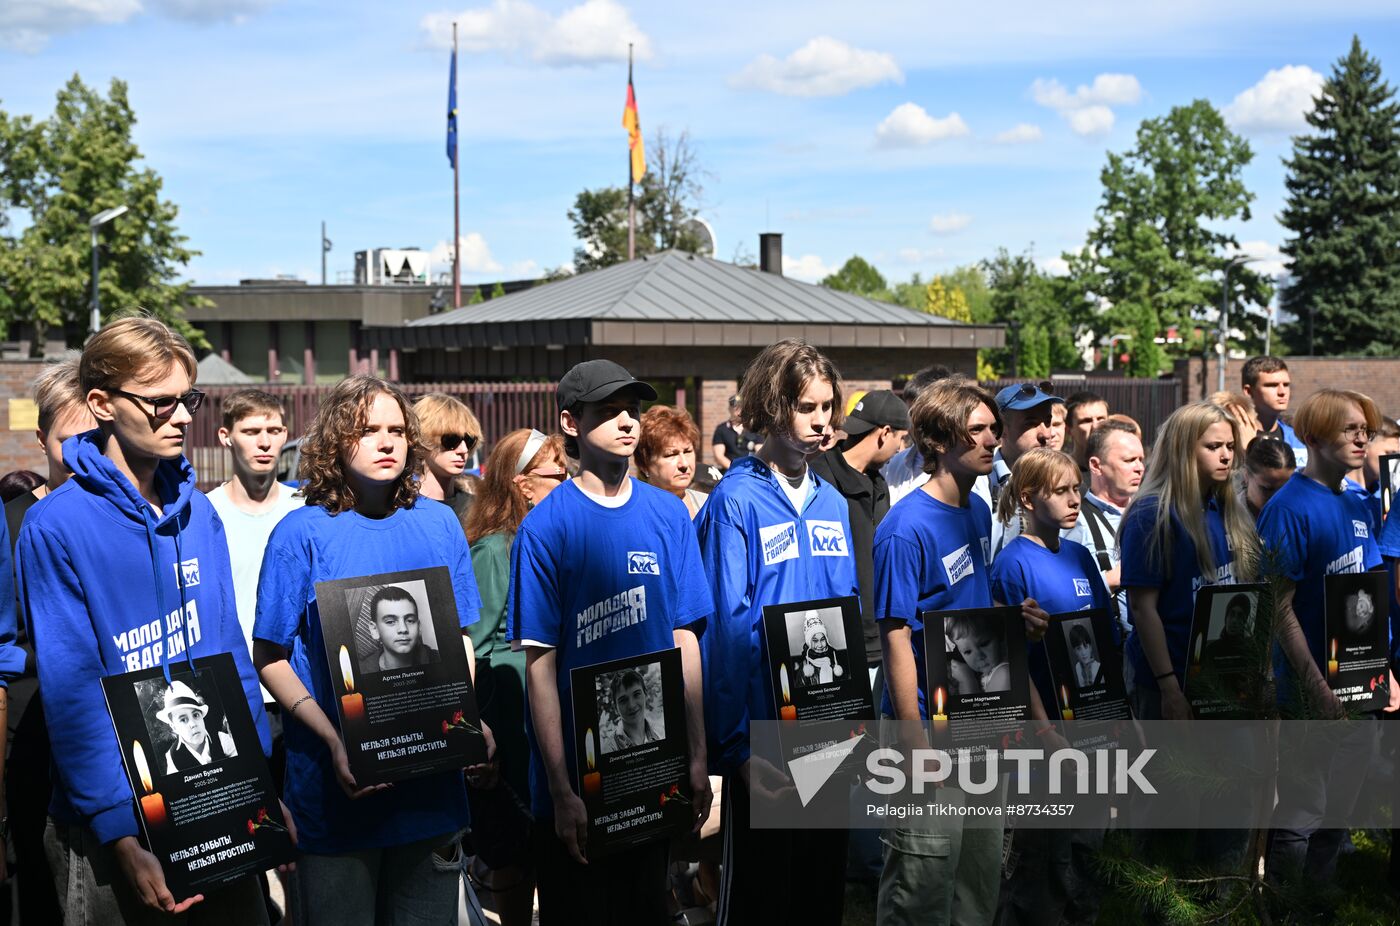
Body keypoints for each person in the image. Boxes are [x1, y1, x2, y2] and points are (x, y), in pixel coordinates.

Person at [16, 316, 274, 923]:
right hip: (116, 826)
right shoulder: (56, 527)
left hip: (217, 798)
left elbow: (228, 652)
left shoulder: (198, 514)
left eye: (188, 399)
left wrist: (259, 783)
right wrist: (121, 835)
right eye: (161, 403)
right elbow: (73, 690)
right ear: (101, 404)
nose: (183, 417)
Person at [251, 374, 489, 926]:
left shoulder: (439, 523)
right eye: (368, 430)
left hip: (429, 795)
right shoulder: (300, 532)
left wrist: (465, 715)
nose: (386, 442)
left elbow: (457, 640)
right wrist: (335, 740)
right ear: (336, 439)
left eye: (397, 430)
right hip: (338, 796)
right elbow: (270, 657)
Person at [508, 359, 711, 925]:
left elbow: (684, 642)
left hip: (653, 769)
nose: (627, 423)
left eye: (633, 411)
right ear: (571, 423)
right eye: (608, 412)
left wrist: (696, 756)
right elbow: (540, 667)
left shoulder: (669, 514)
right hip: (581, 782)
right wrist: (559, 787)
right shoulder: (545, 528)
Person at [873, 377, 1049, 926]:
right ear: (939, 438)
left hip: (979, 726)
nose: (993, 440)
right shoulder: (903, 529)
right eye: (977, 430)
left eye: (995, 428)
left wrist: (1014, 626)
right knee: (922, 886)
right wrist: (910, 737)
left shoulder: (976, 511)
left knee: (976, 881)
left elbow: (968, 610)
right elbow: (895, 633)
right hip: (926, 729)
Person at [694, 339, 858, 926]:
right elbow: (725, 630)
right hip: (764, 739)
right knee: (763, 897)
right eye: (807, 407)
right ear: (771, 404)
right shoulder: (734, 502)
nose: (821, 422)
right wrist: (735, 748)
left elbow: (846, 610)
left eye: (826, 408)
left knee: (819, 889)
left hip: (827, 729)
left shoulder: (834, 503)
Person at [1258, 389, 1399, 884]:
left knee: (1338, 815)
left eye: (1367, 429)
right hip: (1309, 690)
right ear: (1313, 438)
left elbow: (1371, 592)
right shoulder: (1289, 509)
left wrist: (1384, 667)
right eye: (1350, 429)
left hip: (1362, 686)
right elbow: (1277, 607)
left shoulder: (1360, 503)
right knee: (1303, 811)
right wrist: (1316, 686)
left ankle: (1321, 905)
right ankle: (1283, 906)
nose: (1363, 438)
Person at [1119, 401, 1263, 870]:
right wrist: (1168, 688)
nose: (1226, 456)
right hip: (1171, 683)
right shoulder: (1150, 515)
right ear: (1184, 450)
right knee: (1172, 813)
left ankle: (1215, 906)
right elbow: (1143, 608)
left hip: (1225, 687)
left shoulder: (1228, 511)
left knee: (1229, 810)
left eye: (1229, 446)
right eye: (1213, 446)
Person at [988, 447, 1113, 926]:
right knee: (1039, 858)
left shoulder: (1081, 556)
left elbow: (1103, 640)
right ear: (1027, 497)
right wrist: (1044, 731)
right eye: (1061, 491)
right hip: (1041, 741)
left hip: (1092, 728)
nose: (1074, 499)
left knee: (1085, 849)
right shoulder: (1012, 565)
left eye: (1077, 488)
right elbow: (1008, 662)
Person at [462, 427, 568, 926]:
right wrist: (486, 736)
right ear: (524, 485)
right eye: (557, 473)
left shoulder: (547, 536)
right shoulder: (495, 548)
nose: (567, 478)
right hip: (509, 720)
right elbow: (479, 648)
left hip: (544, 712)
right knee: (513, 855)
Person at [3, 356, 92, 926]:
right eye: (69, 441)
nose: (84, 454)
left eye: (96, 439)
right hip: (33, 727)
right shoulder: (11, 521)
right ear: (40, 438)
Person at [206, 389, 303, 704]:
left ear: (285, 434)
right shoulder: (204, 515)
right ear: (226, 436)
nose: (264, 442)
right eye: (250, 432)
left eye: (273, 432)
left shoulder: (305, 512)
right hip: (234, 688)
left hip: (301, 687)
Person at [810, 388, 909, 681]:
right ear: (885, 432)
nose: (902, 449)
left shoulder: (880, 484)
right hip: (832, 648)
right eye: (901, 439)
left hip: (880, 642)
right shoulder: (817, 479)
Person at [1064, 420, 1145, 638]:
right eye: (1129, 460)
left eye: (1140, 459)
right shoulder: (1075, 520)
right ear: (1096, 465)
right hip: (1110, 648)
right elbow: (1062, 594)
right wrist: (1109, 580)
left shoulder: (1149, 513)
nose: (1139, 467)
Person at [977, 381, 1065, 557]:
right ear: (1001, 428)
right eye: (1031, 423)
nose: (1046, 434)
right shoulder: (980, 482)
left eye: (1048, 422)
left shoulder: (1063, 480)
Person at [883, 364, 955, 505]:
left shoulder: (963, 473)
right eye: (910, 412)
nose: (913, 421)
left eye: (921, 414)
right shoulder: (894, 465)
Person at [414, 393, 482, 523]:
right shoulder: (403, 508)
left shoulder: (477, 509)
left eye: (469, 441)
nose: (463, 450)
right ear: (424, 439)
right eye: (451, 440)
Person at [636, 405, 708, 518]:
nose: (684, 464)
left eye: (688, 451)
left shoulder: (708, 505)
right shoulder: (636, 514)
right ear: (645, 464)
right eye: (671, 454)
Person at [157, 680, 238, 772]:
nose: (193, 724)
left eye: (195, 715)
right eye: (183, 720)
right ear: (174, 727)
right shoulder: (173, 757)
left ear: (202, 717)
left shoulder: (221, 739)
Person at [1242, 355, 1308, 468]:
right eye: (1272, 385)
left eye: (1286, 385)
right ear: (1248, 391)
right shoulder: (1233, 437)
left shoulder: (1299, 438)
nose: (1282, 392)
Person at [360, 585, 436, 671]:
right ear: (375, 630)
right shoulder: (361, 672)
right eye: (390, 622)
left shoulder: (440, 658)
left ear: (419, 627)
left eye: (410, 621)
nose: (403, 629)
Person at [1240, 436, 1296, 521]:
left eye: (1286, 489)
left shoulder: (1299, 517)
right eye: (1267, 489)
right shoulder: (1225, 517)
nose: (1277, 497)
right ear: (1246, 475)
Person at [606, 669, 661, 750]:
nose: (631, 705)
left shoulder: (661, 734)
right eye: (623, 700)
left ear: (646, 694)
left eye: (636, 694)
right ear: (615, 708)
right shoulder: (609, 750)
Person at [1064, 391, 1109, 477]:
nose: (1095, 426)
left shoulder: (1121, 469)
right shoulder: (1060, 472)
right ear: (1068, 430)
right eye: (1086, 421)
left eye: (1101, 419)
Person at [711, 394, 761, 471]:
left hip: (751, 471)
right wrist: (735, 470)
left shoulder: (754, 429)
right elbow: (719, 456)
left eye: (741, 407)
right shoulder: (721, 429)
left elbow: (760, 452)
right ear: (730, 409)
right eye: (736, 407)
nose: (739, 410)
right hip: (729, 472)